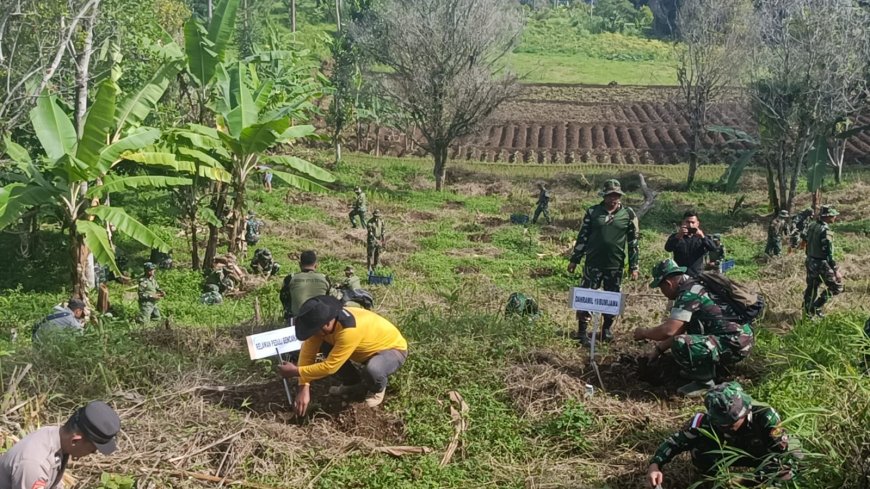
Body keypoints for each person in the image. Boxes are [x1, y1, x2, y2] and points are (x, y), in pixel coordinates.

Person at [634, 259, 754, 397]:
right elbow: (679, 329)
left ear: (668, 283)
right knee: (685, 338)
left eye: (661, 288)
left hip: (733, 344)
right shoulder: (696, 285)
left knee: (681, 343)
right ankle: (706, 369)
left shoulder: (688, 294)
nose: (663, 292)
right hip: (738, 339)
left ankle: (704, 383)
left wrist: (644, 332)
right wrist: (659, 349)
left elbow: (669, 330)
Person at [646, 382, 797, 488]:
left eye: (733, 421)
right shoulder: (703, 422)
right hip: (725, 453)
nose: (728, 427)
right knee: (700, 450)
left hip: (759, 454)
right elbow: (675, 443)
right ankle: (712, 479)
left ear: (746, 410)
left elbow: (784, 455)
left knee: (786, 472)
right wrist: (655, 465)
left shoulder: (765, 417)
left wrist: (746, 481)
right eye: (722, 423)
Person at [276, 295, 408, 412]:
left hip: (392, 351)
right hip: (361, 350)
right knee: (325, 345)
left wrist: (296, 371)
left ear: (327, 323)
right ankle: (352, 382)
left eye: (315, 331)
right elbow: (307, 355)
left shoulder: (349, 330)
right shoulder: (319, 326)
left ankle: (377, 390)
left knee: (373, 369)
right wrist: (303, 387)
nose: (314, 335)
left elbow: (330, 367)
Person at [567, 179, 640, 345]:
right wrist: (574, 260)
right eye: (610, 195)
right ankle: (582, 331)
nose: (613, 199)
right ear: (604, 195)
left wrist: (634, 266)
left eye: (616, 195)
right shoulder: (593, 212)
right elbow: (582, 237)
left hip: (615, 265)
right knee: (586, 296)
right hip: (593, 263)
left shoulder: (628, 214)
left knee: (611, 298)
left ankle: (606, 329)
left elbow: (633, 242)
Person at [0, 401, 121, 489]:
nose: (92, 454)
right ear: (75, 440)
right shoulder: (34, 465)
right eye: (92, 450)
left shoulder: (56, 438)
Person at [802, 205, 844, 318]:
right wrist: (835, 270)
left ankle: (807, 312)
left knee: (812, 287)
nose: (835, 217)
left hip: (810, 260)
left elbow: (804, 238)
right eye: (833, 215)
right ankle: (816, 307)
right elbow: (828, 254)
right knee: (837, 287)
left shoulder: (812, 225)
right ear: (828, 216)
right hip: (821, 263)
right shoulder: (825, 231)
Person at [279, 250, 331, 322]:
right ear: (316, 265)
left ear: (300, 264)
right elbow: (329, 299)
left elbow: (283, 298)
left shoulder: (290, 278)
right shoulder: (325, 278)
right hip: (320, 320)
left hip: (297, 321)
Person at [665, 210, 718, 277]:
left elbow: (713, 248)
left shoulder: (702, 238)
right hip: (680, 275)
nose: (690, 225)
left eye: (693, 222)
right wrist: (678, 236)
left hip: (697, 275)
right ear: (683, 222)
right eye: (687, 222)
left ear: (697, 224)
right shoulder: (676, 237)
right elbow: (668, 248)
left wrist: (703, 237)